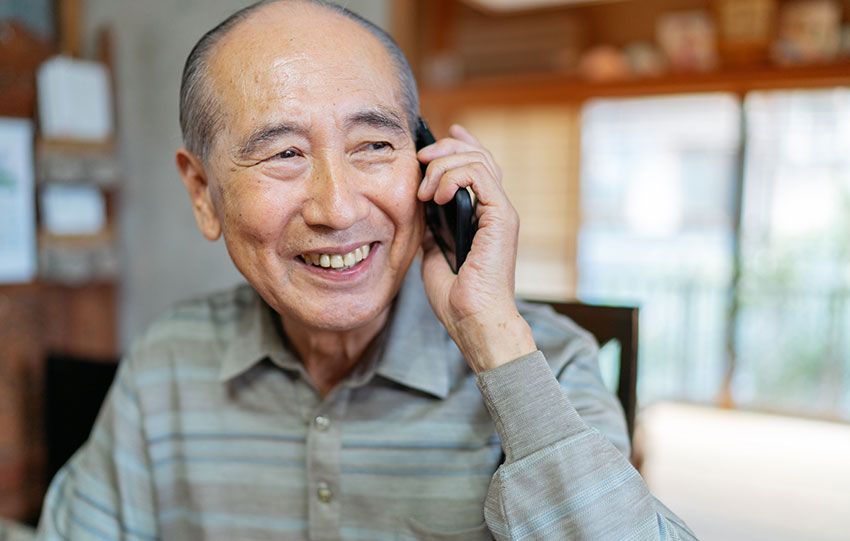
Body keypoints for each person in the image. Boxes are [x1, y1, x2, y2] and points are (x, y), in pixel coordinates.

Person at [36, 1, 696, 539]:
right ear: (204, 193)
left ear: (428, 163)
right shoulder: (165, 366)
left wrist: (496, 340)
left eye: (374, 145)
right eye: (285, 153)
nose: (339, 206)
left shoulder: (548, 364)